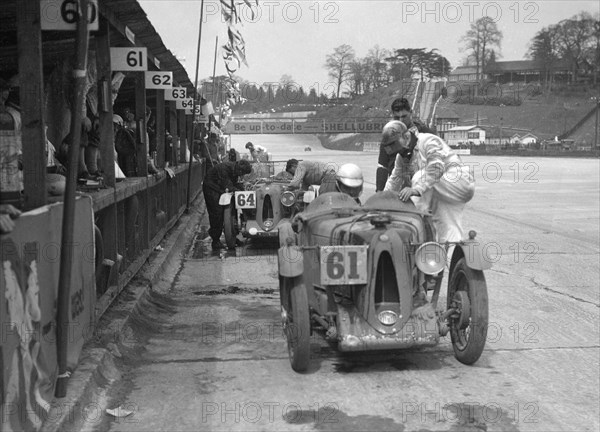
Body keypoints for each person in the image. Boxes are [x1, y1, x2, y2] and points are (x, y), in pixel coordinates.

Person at [383, 120, 475, 243]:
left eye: (396, 146)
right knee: (447, 233)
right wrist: (381, 202)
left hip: (459, 181)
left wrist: (416, 189)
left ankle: (416, 227)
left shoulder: (428, 141)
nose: (398, 153)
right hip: (443, 191)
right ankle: (446, 257)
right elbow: (394, 180)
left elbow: (436, 167)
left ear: (406, 137)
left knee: (419, 177)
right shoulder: (401, 156)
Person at [376, 97, 435, 192]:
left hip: (422, 189)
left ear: (411, 113)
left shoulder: (427, 134)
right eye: (396, 117)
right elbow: (383, 165)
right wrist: (379, 191)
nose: (400, 120)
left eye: (404, 116)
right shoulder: (388, 135)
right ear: (392, 116)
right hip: (396, 188)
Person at [202, 159, 252, 250]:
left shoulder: (234, 170)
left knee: (232, 208)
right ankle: (215, 240)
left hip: (219, 188)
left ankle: (233, 235)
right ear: (239, 170)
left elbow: (233, 185)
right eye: (242, 173)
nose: (242, 175)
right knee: (217, 213)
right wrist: (240, 192)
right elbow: (228, 186)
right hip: (211, 189)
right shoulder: (224, 169)